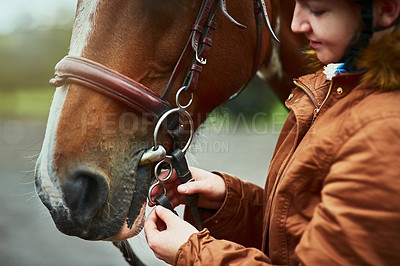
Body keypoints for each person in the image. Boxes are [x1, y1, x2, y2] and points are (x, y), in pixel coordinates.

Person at [144, 0, 400, 264]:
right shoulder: (337, 90)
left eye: (317, 10)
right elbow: (302, 232)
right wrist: (228, 200)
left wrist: (193, 252)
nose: (296, 25)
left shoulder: (385, 131)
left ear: (385, 10)